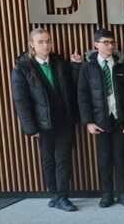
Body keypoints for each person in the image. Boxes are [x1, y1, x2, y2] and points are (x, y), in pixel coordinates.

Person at [10, 28, 81, 211]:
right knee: (48, 160)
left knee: (64, 159)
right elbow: (21, 101)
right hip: (42, 123)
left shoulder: (59, 62)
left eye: (48, 41)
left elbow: (72, 87)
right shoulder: (23, 68)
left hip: (64, 120)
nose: (46, 45)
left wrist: (75, 66)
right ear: (32, 45)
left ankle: (62, 196)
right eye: (41, 42)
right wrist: (30, 128)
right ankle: (55, 195)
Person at [77, 29, 124, 207]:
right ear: (96, 45)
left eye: (112, 42)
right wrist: (89, 121)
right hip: (100, 120)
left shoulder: (122, 66)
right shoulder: (87, 68)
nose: (110, 46)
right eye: (106, 42)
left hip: (120, 119)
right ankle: (107, 194)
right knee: (104, 159)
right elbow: (83, 96)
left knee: (121, 158)